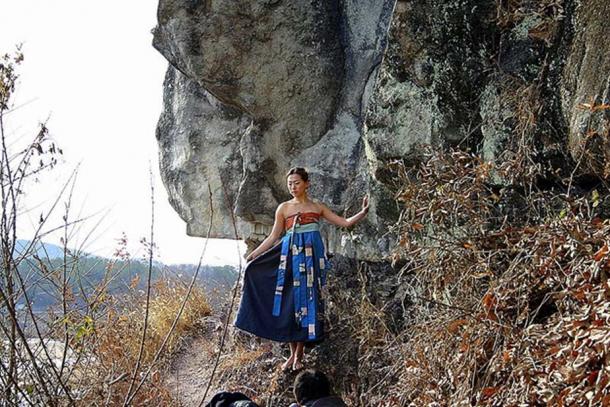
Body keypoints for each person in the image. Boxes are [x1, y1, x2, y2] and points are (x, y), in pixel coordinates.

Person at [234, 167, 368, 371]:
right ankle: (291, 355)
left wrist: (363, 212)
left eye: (296, 183)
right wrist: (254, 255)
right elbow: (273, 237)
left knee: (307, 303)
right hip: (288, 261)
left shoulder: (317, 207)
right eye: (289, 184)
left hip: (311, 262)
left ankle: (299, 355)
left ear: (307, 184)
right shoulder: (284, 208)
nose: (293, 187)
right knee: (289, 303)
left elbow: (345, 223)